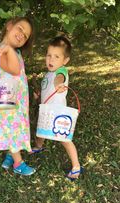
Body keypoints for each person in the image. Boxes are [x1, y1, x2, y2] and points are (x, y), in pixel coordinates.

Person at [32, 36, 83, 180]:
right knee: (40, 130)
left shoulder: (62, 71)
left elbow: (59, 79)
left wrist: (59, 84)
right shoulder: (47, 74)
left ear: (65, 61)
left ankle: (76, 166)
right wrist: (39, 94)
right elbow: (48, 88)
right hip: (46, 110)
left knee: (64, 139)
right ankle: (39, 146)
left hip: (58, 113)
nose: (51, 60)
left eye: (56, 56)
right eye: (48, 55)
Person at [0, 17, 36, 176]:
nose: (21, 35)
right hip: (6, 100)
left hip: (18, 100)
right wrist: (8, 50)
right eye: (20, 29)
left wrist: (11, 51)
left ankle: (11, 155)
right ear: (9, 26)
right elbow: (14, 70)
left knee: (17, 127)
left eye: (25, 36)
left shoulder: (15, 51)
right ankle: (18, 163)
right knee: (11, 128)